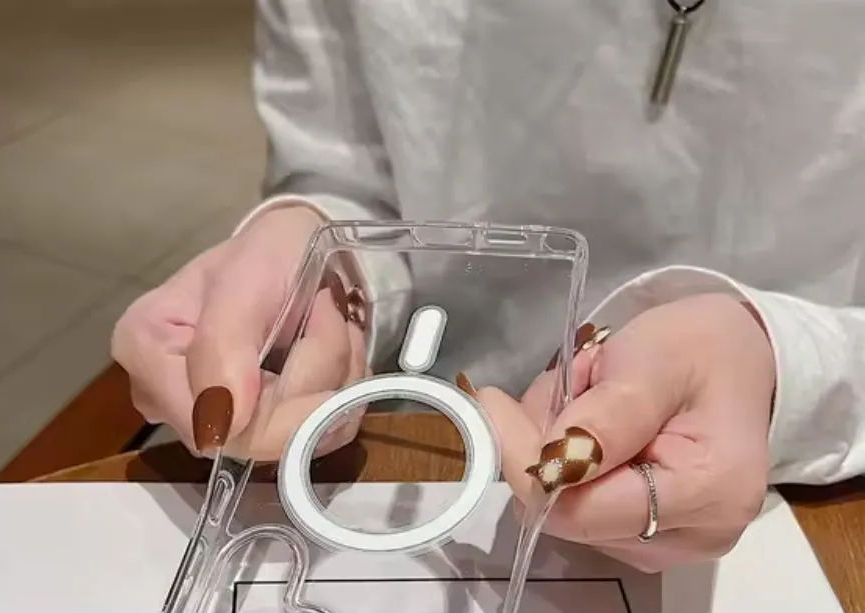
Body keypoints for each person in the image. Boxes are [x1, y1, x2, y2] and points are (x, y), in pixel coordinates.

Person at [111, 0, 865, 573]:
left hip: (798, 517)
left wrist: (787, 364)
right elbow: (341, 166)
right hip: (404, 449)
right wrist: (324, 266)